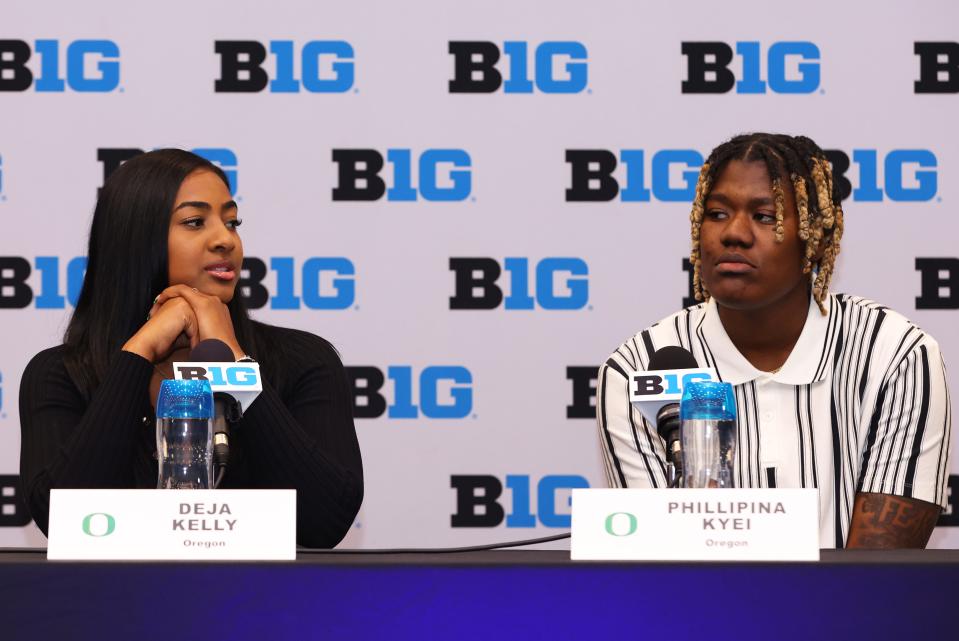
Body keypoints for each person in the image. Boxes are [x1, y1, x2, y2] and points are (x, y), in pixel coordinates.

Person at [597, 133, 950, 549]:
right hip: (703, 613)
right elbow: (669, 564)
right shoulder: (636, 369)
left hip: (853, 614)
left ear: (815, 238)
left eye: (765, 216)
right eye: (716, 213)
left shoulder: (896, 357)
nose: (734, 234)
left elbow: (875, 579)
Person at [19, 149, 363, 548]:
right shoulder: (59, 375)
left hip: (260, 605)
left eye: (231, 222)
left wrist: (233, 362)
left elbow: (326, 521)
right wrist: (138, 354)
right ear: (135, 241)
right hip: (115, 606)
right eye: (195, 222)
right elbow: (63, 521)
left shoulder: (303, 361)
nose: (225, 239)